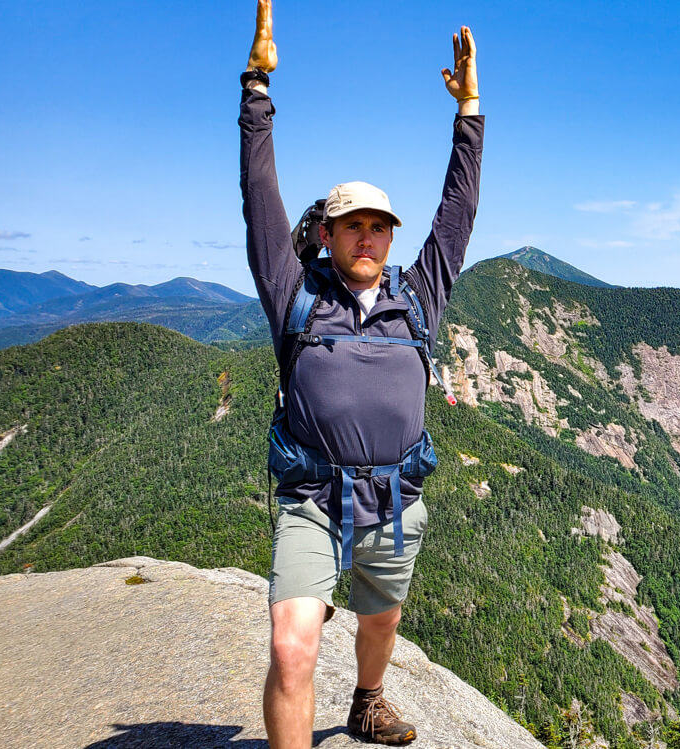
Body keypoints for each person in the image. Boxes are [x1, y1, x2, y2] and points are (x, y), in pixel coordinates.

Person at [238, 1, 482, 745]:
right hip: (312, 497)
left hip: (394, 497)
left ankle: (367, 700)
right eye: (354, 226)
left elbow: (458, 210)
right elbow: (258, 200)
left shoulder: (418, 296)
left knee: (381, 621)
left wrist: (469, 111)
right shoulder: (296, 292)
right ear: (328, 234)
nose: (369, 236)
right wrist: (256, 90)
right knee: (291, 647)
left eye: (379, 226)